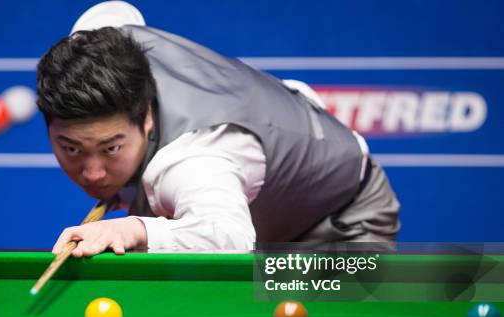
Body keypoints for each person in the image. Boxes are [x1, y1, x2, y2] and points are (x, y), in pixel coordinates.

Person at [36, 1, 400, 257]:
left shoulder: (193, 159)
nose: (92, 172)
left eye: (111, 149)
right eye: (71, 149)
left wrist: (132, 228)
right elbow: (116, 11)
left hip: (341, 224)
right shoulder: (102, 42)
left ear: (146, 117)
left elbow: (230, 239)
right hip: (264, 178)